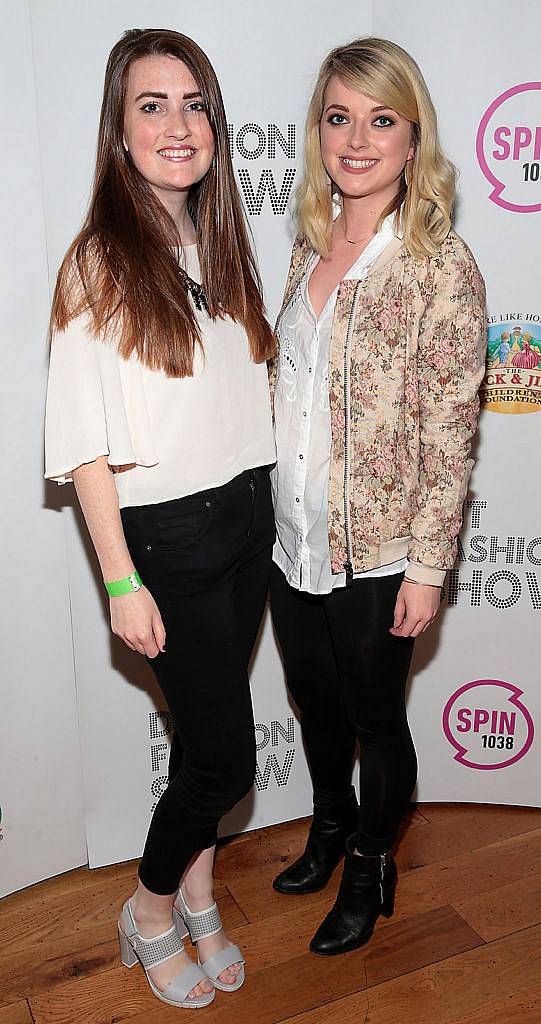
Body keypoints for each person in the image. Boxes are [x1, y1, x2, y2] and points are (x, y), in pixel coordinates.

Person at [45, 28, 276, 1008]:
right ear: (118, 129)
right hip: (166, 537)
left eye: (194, 104)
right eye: (153, 104)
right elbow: (83, 445)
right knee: (224, 752)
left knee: (201, 742)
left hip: (248, 517)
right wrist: (120, 578)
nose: (178, 124)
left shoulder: (222, 241)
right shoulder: (96, 262)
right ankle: (146, 910)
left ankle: (198, 894)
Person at [268, 37, 486, 957]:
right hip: (290, 540)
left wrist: (429, 568)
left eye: (380, 120)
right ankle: (327, 823)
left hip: (382, 552)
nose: (357, 139)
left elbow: (450, 433)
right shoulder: (307, 244)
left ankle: (369, 864)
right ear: (318, 130)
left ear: (412, 139)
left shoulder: (440, 266)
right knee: (314, 708)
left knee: (373, 719)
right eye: (339, 117)